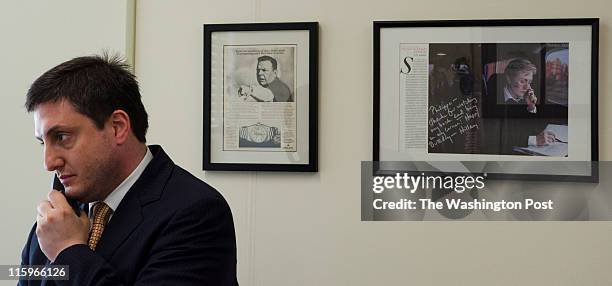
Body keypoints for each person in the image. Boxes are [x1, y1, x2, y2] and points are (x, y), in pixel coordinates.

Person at [19, 54, 238, 285]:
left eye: (62, 137)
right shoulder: (59, 217)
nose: (49, 162)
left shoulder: (196, 213)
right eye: (43, 142)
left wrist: (69, 252)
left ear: (118, 127)